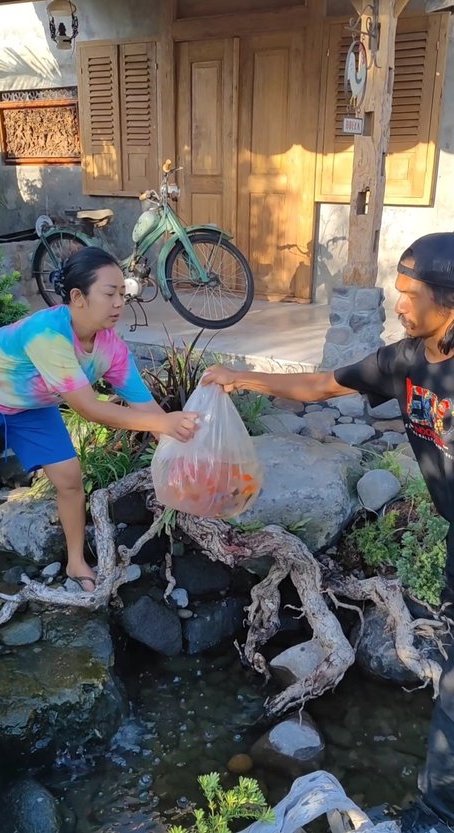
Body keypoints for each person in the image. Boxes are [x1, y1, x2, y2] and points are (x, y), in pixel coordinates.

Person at [203, 231, 454, 833]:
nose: (398, 306)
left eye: (410, 295)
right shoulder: (405, 360)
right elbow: (320, 386)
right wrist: (238, 377)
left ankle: (435, 815)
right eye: (399, 293)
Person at [0, 246, 197, 591]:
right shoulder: (47, 333)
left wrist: (183, 449)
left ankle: (76, 562)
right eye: (110, 293)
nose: (119, 303)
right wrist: (163, 424)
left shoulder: (112, 348)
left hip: (31, 406)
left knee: (70, 480)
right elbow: (88, 408)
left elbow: (147, 409)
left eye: (123, 293)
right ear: (78, 297)